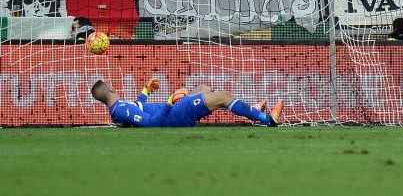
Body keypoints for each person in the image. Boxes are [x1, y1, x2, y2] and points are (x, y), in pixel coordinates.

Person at [91, 78, 283, 128]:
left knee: (203, 88)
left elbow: (137, 107)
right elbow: (151, 124)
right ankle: (267, 119)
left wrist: (145, 91)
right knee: (222, 96)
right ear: (111, 89)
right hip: (172, 117)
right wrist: (169, 102)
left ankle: (252, 111)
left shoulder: (120, 109)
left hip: (171, 113)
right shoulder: (122, 111)